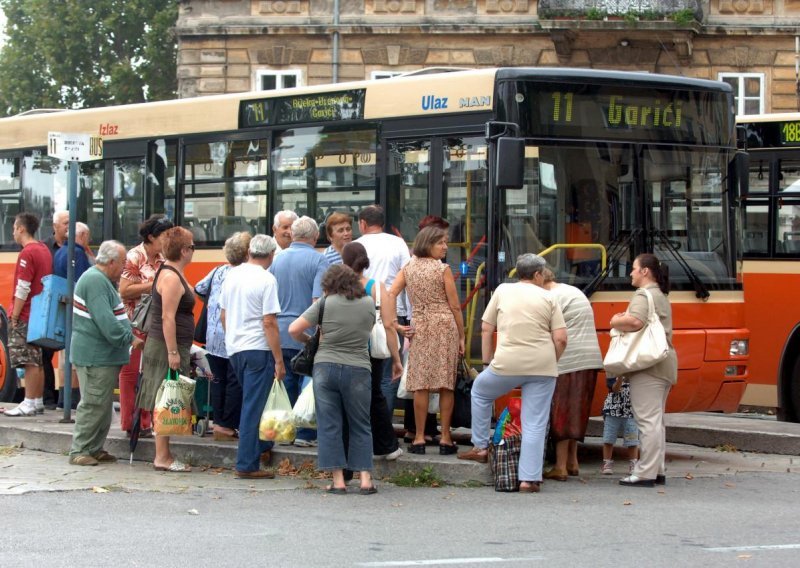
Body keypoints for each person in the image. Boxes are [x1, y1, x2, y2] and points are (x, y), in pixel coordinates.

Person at [458, 253, 567, 494]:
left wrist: (487, 364)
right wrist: (551, 361)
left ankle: (480, 447)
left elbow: (486, 329)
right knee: (535, 422)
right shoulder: (550, 298)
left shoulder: (502, 291)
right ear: (538, 275)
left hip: (506, 364)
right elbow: (560, 338)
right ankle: (528, 479)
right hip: (542, 366)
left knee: (481, 392)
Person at [288, 264, 378, 494]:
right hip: (358, 368)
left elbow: (293, 329)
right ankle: (365, 479)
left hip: (325, 368)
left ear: (329, 284)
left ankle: (338, 481)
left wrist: (310, 340)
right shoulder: (368, 302)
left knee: (330, 425)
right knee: (361, 424)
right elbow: (368, 329)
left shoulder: (325, 303)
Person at [389, 225, 465, 455]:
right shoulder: (443, 269)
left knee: (420, 383)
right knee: (445, 384)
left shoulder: (408, 268)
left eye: (446, 242)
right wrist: (462, 335)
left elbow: (391, 293)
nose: (445, 247)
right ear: (428, 244)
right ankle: (445, 438)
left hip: (419, 326)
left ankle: (419, 438)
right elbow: (454, 305)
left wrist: (394, 324)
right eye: (440, 242)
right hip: (444, 326)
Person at [68, 241, 144, 465]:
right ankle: (80, 450)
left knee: (102, 405)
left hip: (103, 355)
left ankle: (94, 447)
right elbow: (106, 321)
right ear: (111, 262)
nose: (123, 268)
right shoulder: (95, 281)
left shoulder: (102, 280)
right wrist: (129, 338)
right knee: (93, 403)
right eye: (122, 263)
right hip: (95, 355)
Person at [219, 234, 285, 479]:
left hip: (235, 348)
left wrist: (233, 340)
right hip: (258, 348)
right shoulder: (267, 279)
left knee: (253, 401)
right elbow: (269, 322)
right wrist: (278, 360)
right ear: (270, 255)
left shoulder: (231, 275)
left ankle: (263, 447)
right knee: (253, 407)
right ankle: (247, 464)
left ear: (249, 253)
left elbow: (224, 315)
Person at [611, 253, 677, 487]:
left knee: (646, 420)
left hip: (648, 367)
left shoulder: (643, 294)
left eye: (634, 268)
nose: (631, 272)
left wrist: (615, 320)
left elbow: (635, 322)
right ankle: (657, 469)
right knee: (656, 421)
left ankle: (645, 472)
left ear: (645, 272)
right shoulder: (660, 295)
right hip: (665, 365)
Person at [135, 226, 196, 473]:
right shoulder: (171, 277)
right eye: (192, 247)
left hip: (169, 345)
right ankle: (162, 457)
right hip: (165, 347)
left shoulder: (172, 272)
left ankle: (165, 453)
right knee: (165, 398)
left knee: (168, 397)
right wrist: (173, 353)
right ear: (183, 251)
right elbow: (168, 318)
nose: (194, 251)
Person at [269, 216, 329, 447]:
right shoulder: (318, 261)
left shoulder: (277, 260)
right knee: (307, 384)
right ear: (315, 237)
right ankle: (304, 434)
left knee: (284, 383)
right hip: (303, 332)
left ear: (293, 235)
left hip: (278, 333)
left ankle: (283, 434)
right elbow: (317, 300)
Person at [539, 268, 603, 481]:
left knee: (561, 414)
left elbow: (552, 334)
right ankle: (572, 462)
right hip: (590, 358)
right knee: (576, 411)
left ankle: (560, 467)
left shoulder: (550, 297)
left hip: (570, 360)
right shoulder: (572, 291)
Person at [341, 242, 404, 460]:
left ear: (343, 261)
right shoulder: (377, 287)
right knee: (375, 395)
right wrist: (396, 359)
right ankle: (385, 446)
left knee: (347, 399)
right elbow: (388, 325)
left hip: (342, 349)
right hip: (369, 350)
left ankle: (351, 449)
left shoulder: (334, 286)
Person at [118, 215, 174, 437]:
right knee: (131, 374)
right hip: (134, 322)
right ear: (151, 237)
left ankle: (146, 421)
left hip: (155, 323)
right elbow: (124, 290)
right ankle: (130, 422)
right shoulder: (134, 256)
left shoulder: (164, 257)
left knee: (151, 374)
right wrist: (154, 285)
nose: (168, 240)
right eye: (164, 236)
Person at [194, 231, 251, 441]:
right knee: (235, 380)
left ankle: (218, 423)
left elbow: (199, 289)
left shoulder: (217, 271)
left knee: (217, 381)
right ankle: (227, 426)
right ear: (247, 253)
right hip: (233, 334)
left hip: (213, 334)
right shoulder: (246, 274)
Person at [356, 205, 411, 414]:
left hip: (361, 314)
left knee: (365, 373)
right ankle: (384, 430)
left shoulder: (356, 245)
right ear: (382, 223)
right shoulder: (397, 243)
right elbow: (407, 274)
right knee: (388, 375)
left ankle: (365, 424)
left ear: (362, 224)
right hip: (393, 313)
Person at [3, 213, 53, 417]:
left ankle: (29, 402)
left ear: (21, 229)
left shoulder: (27, 253)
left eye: (14, 228)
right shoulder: (43, 249)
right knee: (37, 358)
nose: (13, 232)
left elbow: (23, 287)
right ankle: (37, 400)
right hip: (39, 312)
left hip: (26, 313)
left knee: (28, 360)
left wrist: (14, 316)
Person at [53, 221, 94, 410]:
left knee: (64, 356)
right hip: (76, 309)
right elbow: (82, 283)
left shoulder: (60, 251)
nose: (90, 240)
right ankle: (74, 399)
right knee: (75, 357)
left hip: (63, 307)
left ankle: (63, 398)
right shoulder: (77, 253)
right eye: (89, 236)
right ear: (83, 235)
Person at [41, 210, 69, 410]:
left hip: (71, 305)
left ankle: (65, 400)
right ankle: (48, 398)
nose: (69, 227)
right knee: (45, 352)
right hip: (51, 306)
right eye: (66, 223)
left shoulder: (76, 248)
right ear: (55, 226)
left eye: (71, 223)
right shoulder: (44, 248)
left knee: (71, 353)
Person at [601, 377, 640, 475]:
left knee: (632, 439)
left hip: (631, 411)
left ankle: (633, 463)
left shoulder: (636, 371)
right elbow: (615, 389)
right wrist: (620, 377)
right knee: (609, 438)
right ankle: (607, 463)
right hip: (612, 409)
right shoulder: (613, 371)